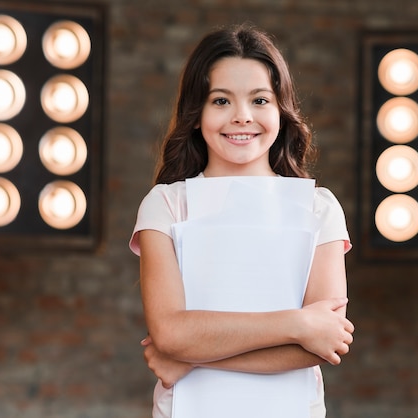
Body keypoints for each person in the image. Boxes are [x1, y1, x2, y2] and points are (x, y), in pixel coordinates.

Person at [129, 23, 355, 418]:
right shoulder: (165, 205)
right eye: (221, 101)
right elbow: (169, 334)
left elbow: (323, 342)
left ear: (281, 112)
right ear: (196, 113)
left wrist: (191, 357)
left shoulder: (320, 208)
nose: (242, 117)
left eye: (260, 100)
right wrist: (297, 323)